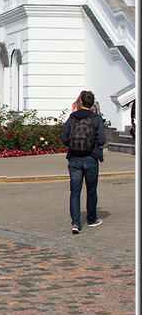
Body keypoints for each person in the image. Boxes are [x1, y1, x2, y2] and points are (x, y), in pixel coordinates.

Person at [61, 90, 106, 234]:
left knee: (75, 191)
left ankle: (75, 223)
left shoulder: (72, 118)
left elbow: (64, 139)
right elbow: (102, 140)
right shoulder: (96, 119)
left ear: (81, 102)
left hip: (74, 158)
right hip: (91, 158)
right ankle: (91, 219)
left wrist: (74, 144)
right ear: (92, 103)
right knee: (91, 190)